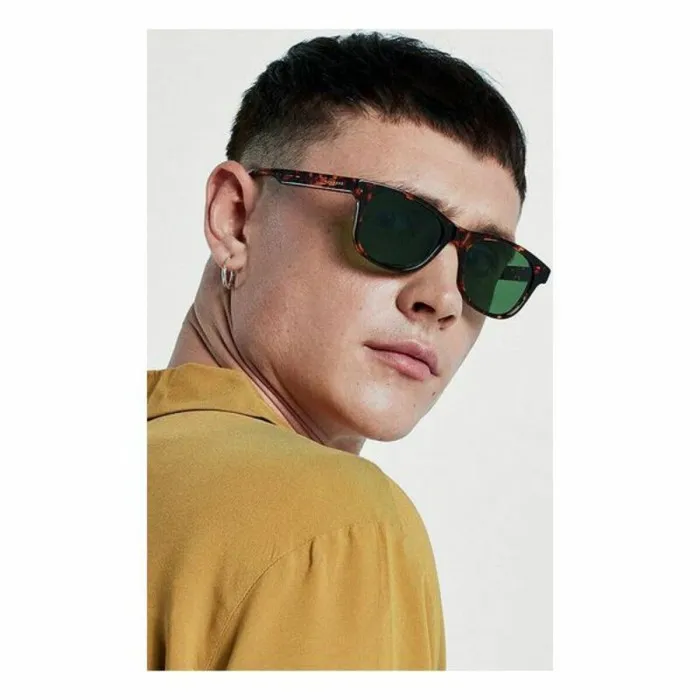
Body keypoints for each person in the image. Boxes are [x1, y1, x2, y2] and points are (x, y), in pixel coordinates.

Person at [147, 31, 550, 671]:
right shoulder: (339, 523)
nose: (444, 299)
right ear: (235, 219)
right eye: (395, 223)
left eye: (488, 264)